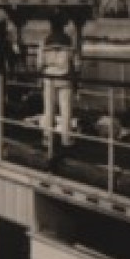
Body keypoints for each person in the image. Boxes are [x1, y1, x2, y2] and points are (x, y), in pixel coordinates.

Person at [37, 19, 78, 157]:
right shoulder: (69, 41)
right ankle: (66, 139)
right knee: (66, 109)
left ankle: (47, 138)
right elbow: (76, 63)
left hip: (49, 77)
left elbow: (39, 63)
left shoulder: (45, 41)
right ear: (63, 27)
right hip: (65, 77)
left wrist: (42, 71)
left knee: (48, 109)